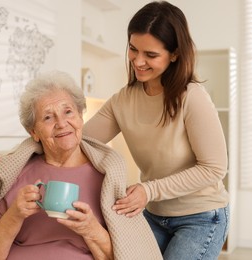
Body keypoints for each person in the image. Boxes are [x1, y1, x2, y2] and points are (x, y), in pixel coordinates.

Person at [0, 70, 162, 260]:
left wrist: (90, 229)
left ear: (80, 117)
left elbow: (123, 256)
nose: (61, 123)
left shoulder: (105, 176)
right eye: (48, 117)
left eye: (68, 112)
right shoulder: (15, 173)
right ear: (34, 132)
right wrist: (14, 215)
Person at [83, 1, 230, 259]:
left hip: (201, 218)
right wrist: (19, 155)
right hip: (154, 215)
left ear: (174, 54)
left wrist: (148, 190)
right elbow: (79, 141)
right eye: (133, 49)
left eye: (150, 55)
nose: (138, 61)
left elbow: (214, 168)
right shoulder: (123, 100)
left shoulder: (191, 97)